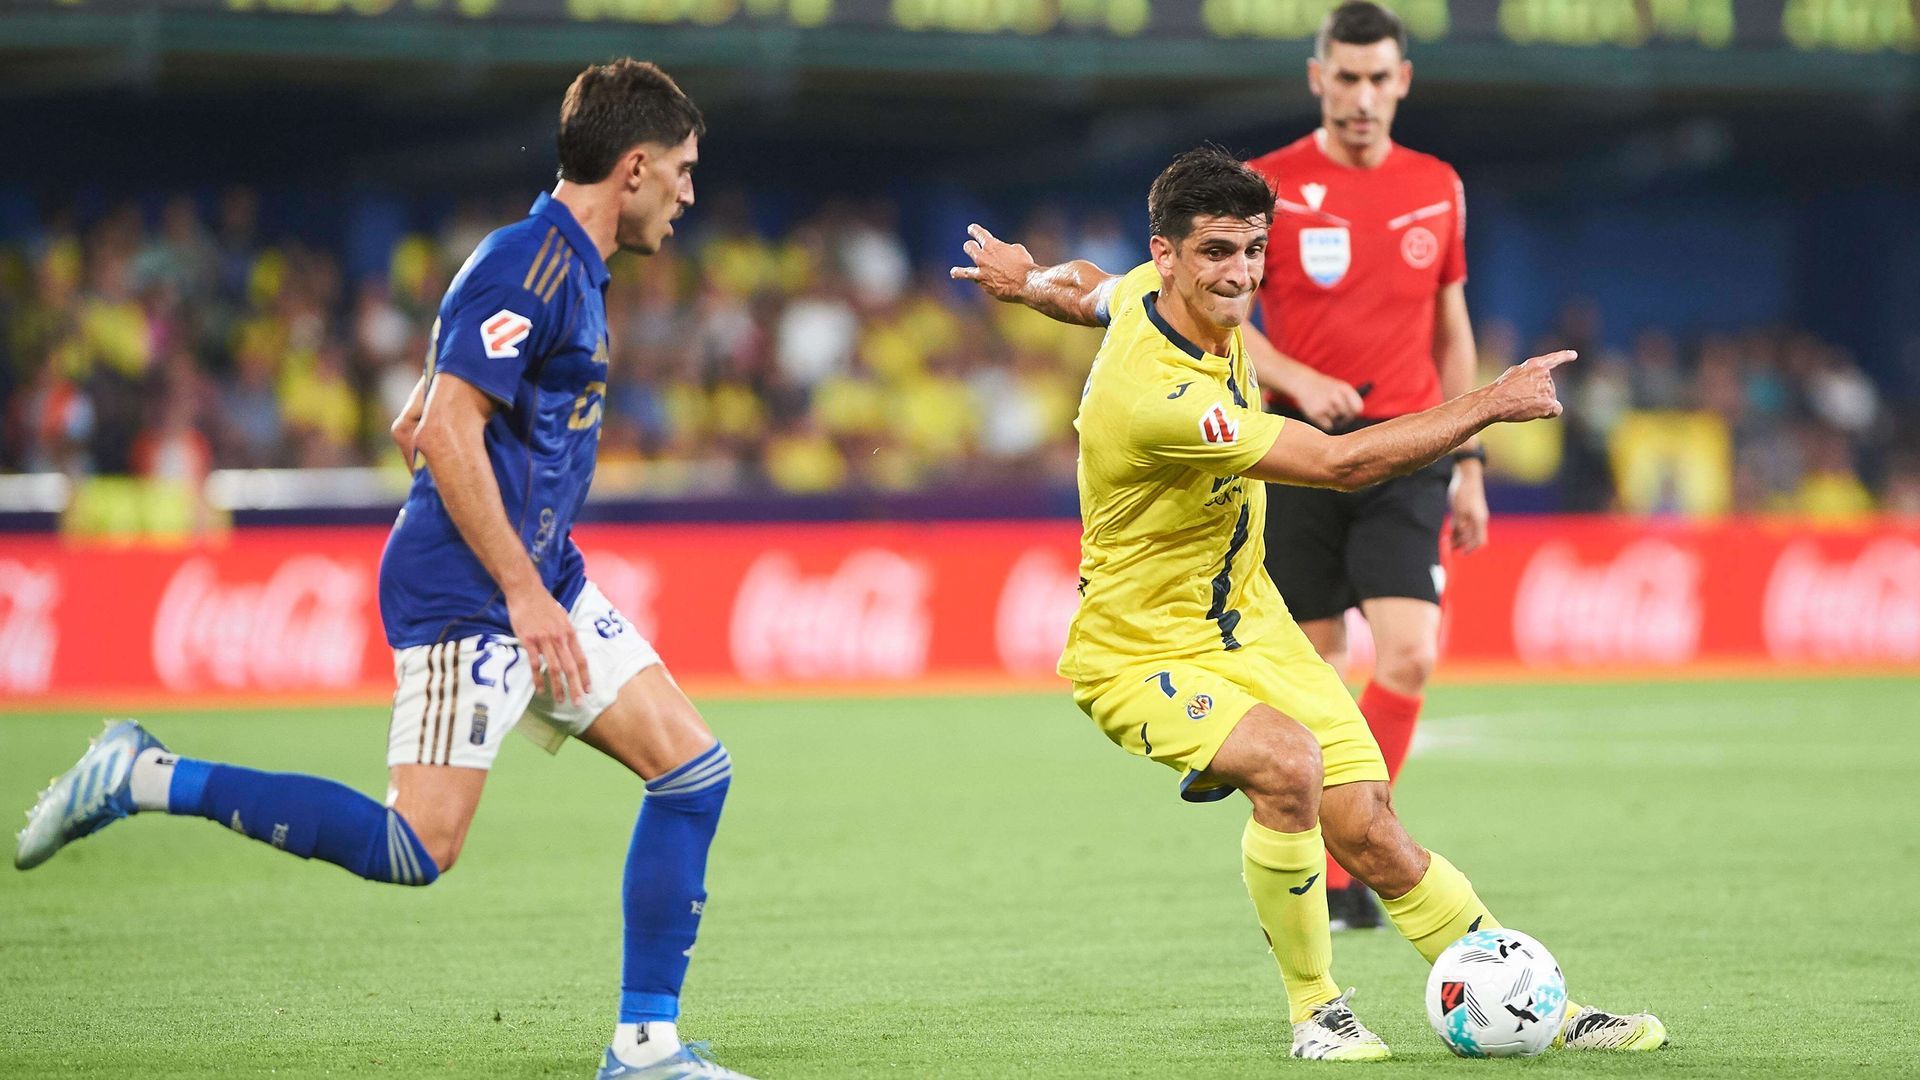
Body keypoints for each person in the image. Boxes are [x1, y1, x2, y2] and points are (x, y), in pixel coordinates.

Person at [15, 59, 754, 1080]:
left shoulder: (551, 262)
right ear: (633, 168)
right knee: (418, 848)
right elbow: (450, 425)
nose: (689, 191)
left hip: (540, 575)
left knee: (693, 773)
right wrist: (523, 590)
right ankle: (140, 774)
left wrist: (437, 412)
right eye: (681, 169)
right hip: (473, 591)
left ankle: (644, 1050)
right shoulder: (530, 263)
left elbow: (443, 396)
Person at [951, 147, 1666, 1060]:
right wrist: (1485, 405)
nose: (1239, 273)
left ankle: (1538, 1005)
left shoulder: (1147, 292)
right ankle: (1316, 1012)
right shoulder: (1161, 399)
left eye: (1252, 250)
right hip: (1139, 652)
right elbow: (1339, 464)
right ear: (1166, 254)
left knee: (1369, 823)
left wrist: (1028, 281)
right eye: (1215, 252)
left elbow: (1090, 289)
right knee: (1289, 767)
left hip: (1251, 624)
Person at [1243, 0, 1484, 930]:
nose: (1362, 96)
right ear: (1318, 79)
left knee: (1412, 652)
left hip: (1408, 447)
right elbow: (1224, 318)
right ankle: (1335, 859)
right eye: (1345, 77)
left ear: (1403, 82)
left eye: (1379, 77)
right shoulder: (1267, 185)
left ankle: (1363, 843)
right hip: (1302, 448)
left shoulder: (1438, 185)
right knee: (1315, 671)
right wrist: (1300, 375)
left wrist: (1466, 459)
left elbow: (1451, 327)